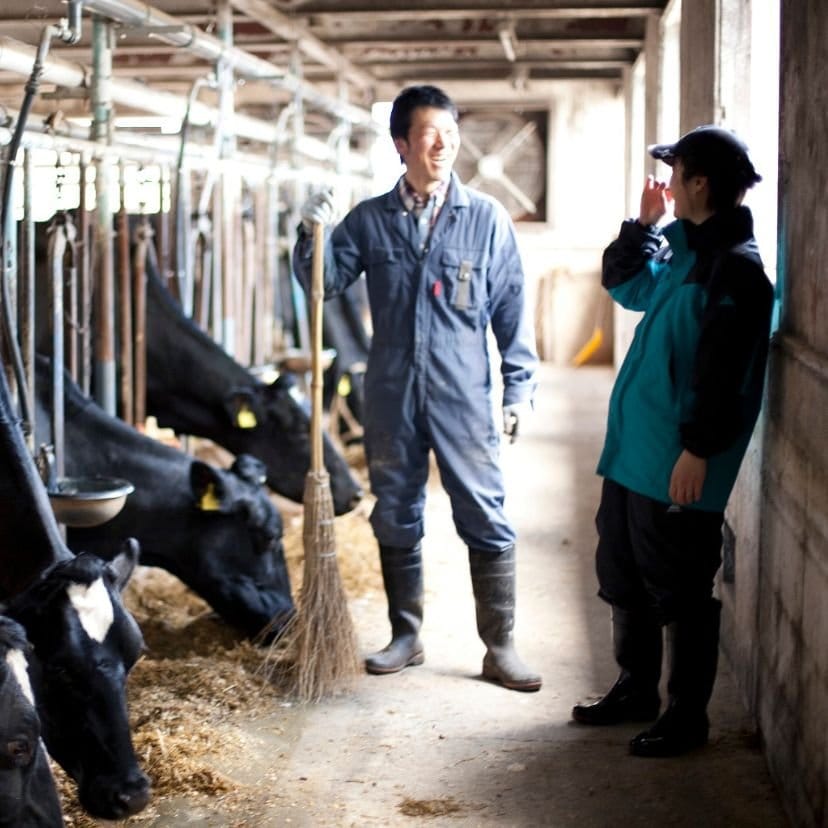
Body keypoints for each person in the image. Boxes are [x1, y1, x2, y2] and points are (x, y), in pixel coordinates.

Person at [294, 84, 540, 692]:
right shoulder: (370, 220)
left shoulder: (485, 218)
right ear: (402, 143)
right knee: (396, 512)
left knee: (484, 512)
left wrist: (518, 388)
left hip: (463, 394)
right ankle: (406, 636)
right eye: (430, 134)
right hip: (392, 394)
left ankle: (501, 646)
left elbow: (512, 308)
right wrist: (309, 234)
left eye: (451, 134)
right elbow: (323, 282)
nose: (443, 145)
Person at [572, 125, 774, 755]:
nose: (668, 183)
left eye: (676, 172)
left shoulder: (735, 271)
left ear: (700, 183)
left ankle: (687, 717)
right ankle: (635, 689)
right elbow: (623, 285)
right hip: (636, 450)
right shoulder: (683, 251)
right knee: (622, 570)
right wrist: (644, 225)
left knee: (680, 586)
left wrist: (698, 449)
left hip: (677, 458)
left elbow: (725, 373)